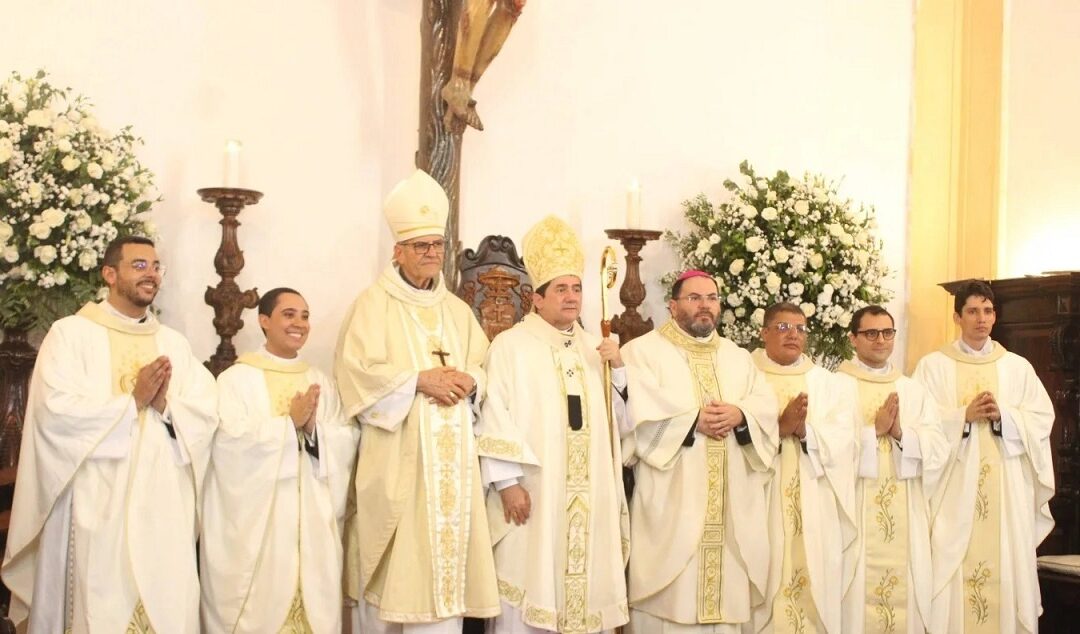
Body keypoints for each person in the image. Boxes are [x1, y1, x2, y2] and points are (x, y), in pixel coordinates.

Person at [1, 236, 217, 632]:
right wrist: (130, 402)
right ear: (109, 273)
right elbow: (55, 411)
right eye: (139, 265)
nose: (151, 274)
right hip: (94, 501)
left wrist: (166, 405)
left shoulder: (174, 344)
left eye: (155, 266)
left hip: (163, 505)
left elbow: (206, 413)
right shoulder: (71, 334)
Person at [335, 169, 499, 633]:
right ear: (398, 251)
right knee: (393, 595)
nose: (431, 254)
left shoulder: (458, 311)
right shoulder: (372, 305)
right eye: (421, 246)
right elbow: (355, 377)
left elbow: (484, 369)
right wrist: (417, 381)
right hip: (399, 471)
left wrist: (471, 381)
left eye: (436, 246)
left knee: (443, 607)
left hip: (454, 474)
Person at [476, 215, 630, 633]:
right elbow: (493, 416)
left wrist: (617, 371)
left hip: (587, 497)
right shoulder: (510, 346)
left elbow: (617, 427)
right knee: (530, 591)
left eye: (577, 288)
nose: (572, 297)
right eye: (560, 289)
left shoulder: (592, 346)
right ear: (536, 299)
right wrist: (507, 484)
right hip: (534, 495)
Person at [620, 269, 777, 633]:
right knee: (670, 605)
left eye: (711, 298)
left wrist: (741, 415)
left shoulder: (738, 357)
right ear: (673, 306)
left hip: (730, 513)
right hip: (671, 507)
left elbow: (765, 405)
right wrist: (692, 422)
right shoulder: (641, 352)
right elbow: (634, 417)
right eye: (694, 298)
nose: (705, 306)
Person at [200, 287, 360, 632]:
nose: (299, 323)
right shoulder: (236, 380)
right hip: (261, 528)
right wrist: (288, 427)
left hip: (312, 527)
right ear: (264, 321)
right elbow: (227, 447)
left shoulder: (320, 381)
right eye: (289, 314)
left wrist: (315, 429)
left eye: (304, 316)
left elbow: (347, 437)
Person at [913, 280, 1054, 633]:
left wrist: (1005, 416)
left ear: (995, 316)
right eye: (973, 311)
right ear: (957, 317)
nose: (982, 319)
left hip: (1005, 489)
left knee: (1006, 562)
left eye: (988, 311)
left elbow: (1041, 419)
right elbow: (918, 426)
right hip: (953, 492)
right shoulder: (932, 367)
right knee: (952, 569)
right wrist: (962, 416)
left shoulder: (1016, 367)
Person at [834, 305, 948, 634]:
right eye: (871, 333)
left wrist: (900, 434)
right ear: (853, 338)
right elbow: (826, 447)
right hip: (854, 514)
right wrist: (873, 432)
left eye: (888, 333)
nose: (881, 340)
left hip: (906, 513)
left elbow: (939, 448)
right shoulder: (836, 387)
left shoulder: (913, 389)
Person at [751, 302, 855, 633]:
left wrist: (804, 430)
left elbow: (846, 438)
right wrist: (778, 428)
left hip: (814, 502)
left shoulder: (826, 382)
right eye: (782, 327)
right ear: (764, 333)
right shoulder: (745, 375)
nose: (793, 335)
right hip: (760, 499)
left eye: (800, 329)